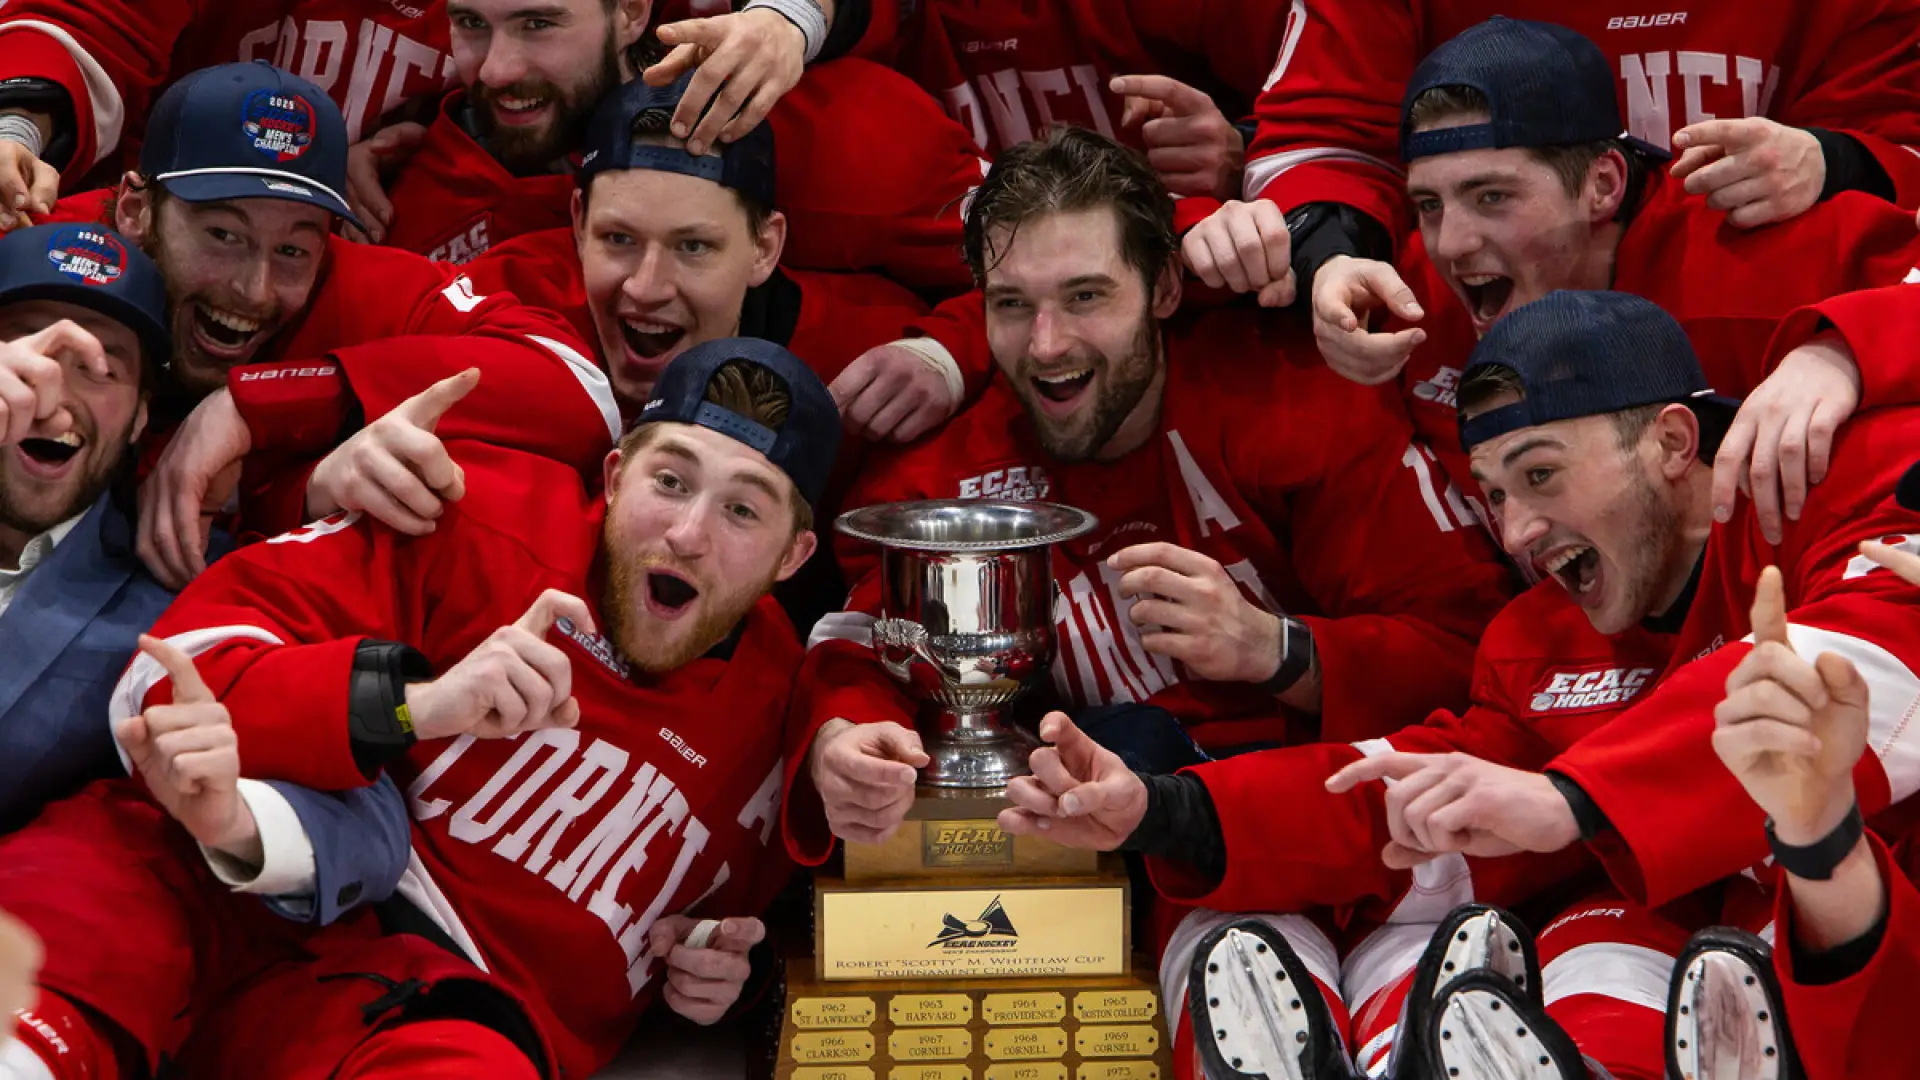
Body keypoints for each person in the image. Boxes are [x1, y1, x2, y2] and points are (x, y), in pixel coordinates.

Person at [988, 290, 1920, 1079]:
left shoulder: (1827, 490)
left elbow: (1874, 667)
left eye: (1541, 474)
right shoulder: (1535, 643)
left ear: (1674, 441)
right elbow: (1396, 791)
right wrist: (1160, 811)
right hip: (1793, 979)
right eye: (1495, 492)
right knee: (1594, 933)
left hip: (1876, 989)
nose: (1516, 532)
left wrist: (1572, 797)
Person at [0, 337, 837, 1080]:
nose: (687, 534)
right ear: (615, 477)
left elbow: (727, 939)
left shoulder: (779, 720)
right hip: (209, 867)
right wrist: (412, 704)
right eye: (669, 479)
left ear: (794, 555)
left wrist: (728, 978)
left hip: (433, 1010)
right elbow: (164, 685)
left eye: (741, 509)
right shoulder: (476, 508)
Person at [784, 125, 1510, 871]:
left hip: (1344, 847)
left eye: (1086, 296)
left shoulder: (1292, 405)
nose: (1046, 345)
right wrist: (841, 738)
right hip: (1102, 879)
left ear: (1164, 288)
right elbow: (863, 643)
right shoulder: (941, 476)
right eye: (1010, 303)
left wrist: (1277, 649)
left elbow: (1469, 657)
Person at [1300, 17, 1920, 549]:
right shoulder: (1405, 305)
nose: (1452, 243)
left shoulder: (1756, 254)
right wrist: (1324, 277)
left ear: (1604, 185)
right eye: (1429, 204)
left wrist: (1843, 351)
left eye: (1492, 196)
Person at [16, 60, 621, 589]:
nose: (253, 289)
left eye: (292, 251)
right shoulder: (49, 247)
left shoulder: (358, 283)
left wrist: (268, 408)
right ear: (135, 210)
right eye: (223, 235)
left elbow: (583, 393)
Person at [1183, 0, 1920, 313]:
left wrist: (1836, 158)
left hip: (1760, 319)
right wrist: (1332, 256)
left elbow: (1899, 133)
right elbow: (1322, 134)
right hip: (1471, 336)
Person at [357, 0, 988, 300]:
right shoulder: (405, 202)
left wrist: (944, 357)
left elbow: (1040, 284)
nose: (495, 70)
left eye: (538, 24)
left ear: (631, 13)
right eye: (471, 25)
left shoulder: (842, 137)